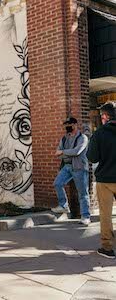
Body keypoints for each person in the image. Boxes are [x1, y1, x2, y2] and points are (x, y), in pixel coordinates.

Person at [87, 102, 116, 259]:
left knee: (106, 215)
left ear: (105, 116)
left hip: (105, 180)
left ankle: (108, 248)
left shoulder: (99, 134)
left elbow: (92, 157)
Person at [51, 117, 91, 225]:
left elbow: (77, 151)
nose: (67, 127)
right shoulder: (64, 138)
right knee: (57, 184)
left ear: (75, 125)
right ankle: (64, 206)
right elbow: (57, 153)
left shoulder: (82, 138)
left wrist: (63, 152)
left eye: (69, 124)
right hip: (67, 166)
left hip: (79, 168)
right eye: (66, 125)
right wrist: (64, 153)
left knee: (82, 193)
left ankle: (86, 216)